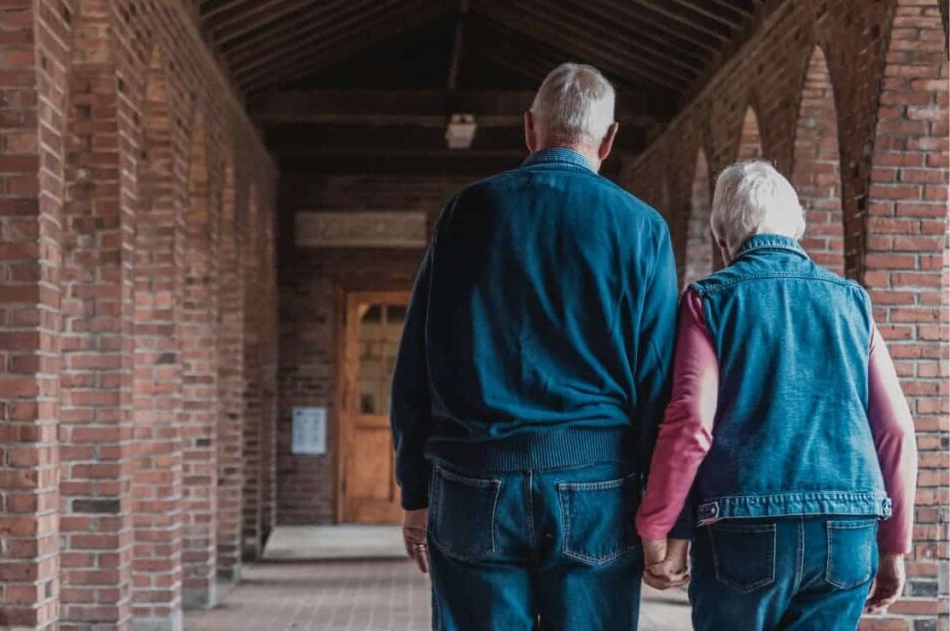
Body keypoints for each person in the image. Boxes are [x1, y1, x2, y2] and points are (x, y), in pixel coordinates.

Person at [389, 62, 683, 630]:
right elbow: (658, 383)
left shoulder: (466, 213)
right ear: (610, 138)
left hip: (472, 478)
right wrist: (659, 510)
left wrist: (414, 490)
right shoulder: (641, 228)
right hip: (596, 484)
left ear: (530, 128)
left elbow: (416, 365)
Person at [636, 160, 918, 630]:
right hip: (848, 526)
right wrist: (894, 544)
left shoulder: (709, 300)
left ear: (724, 239)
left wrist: (658, 523)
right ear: (798, 227)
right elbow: (893, 430)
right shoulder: (852, 301)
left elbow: (691, 423)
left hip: (745, 524)